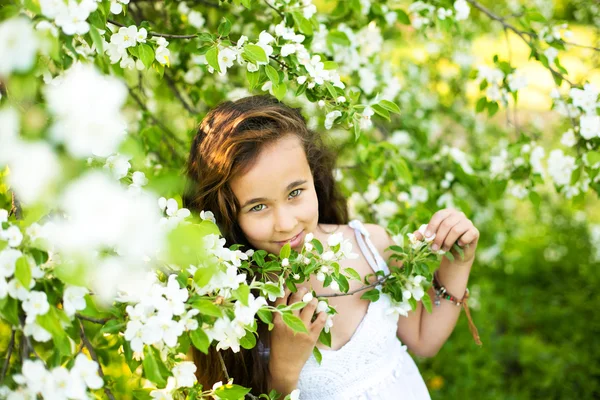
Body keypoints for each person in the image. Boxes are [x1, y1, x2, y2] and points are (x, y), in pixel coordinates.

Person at [183, 95, 480, 399]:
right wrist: (283, 370)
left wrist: (457, 262)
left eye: (295, 192)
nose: (285, 223)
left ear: (314, 177)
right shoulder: (232, 305)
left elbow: (423, 340)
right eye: (258, 206)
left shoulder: (369, 246)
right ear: (226, 214)